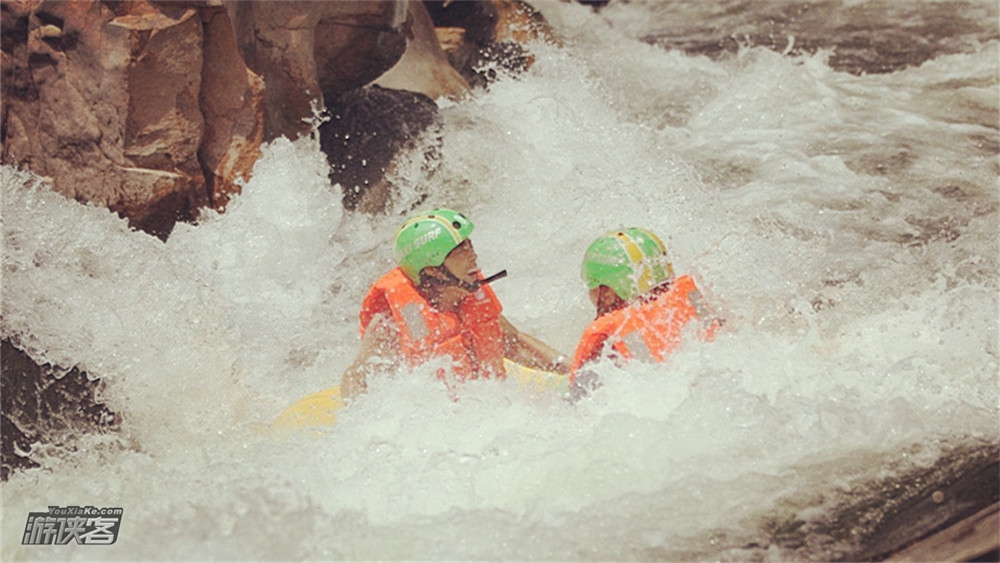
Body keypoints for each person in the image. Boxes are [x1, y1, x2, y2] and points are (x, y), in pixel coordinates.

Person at [340, 208, 570, 400]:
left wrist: (571, 369)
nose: (473, 256)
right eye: (460, 251)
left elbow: (513, 343)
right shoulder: (393, 322)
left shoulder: (469, 296)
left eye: (469, 245)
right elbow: (358, 377)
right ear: (432, 270)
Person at [569, 228, 723, 398]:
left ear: (607, 294)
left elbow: (575, 400)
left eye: (592, 287)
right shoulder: (690, 302)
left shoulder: (612, 338)